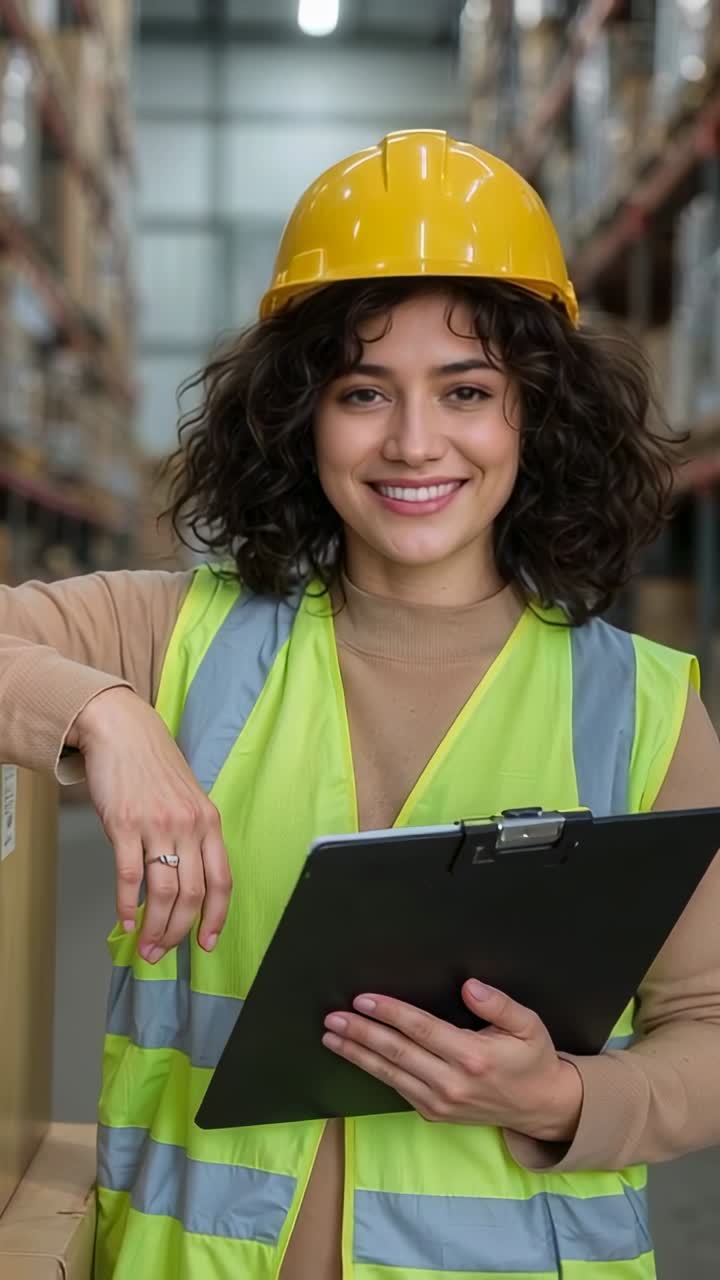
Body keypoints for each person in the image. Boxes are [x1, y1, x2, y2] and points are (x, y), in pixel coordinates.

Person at [1, 129, 720, 1280]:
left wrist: (569, 1092)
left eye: (468, 390)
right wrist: (107, 715)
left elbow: (713, 1026)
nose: (415, 441)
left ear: (536, 415)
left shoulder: (639, 706)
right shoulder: (177, 634)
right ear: (299, 416)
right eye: (363, 390)